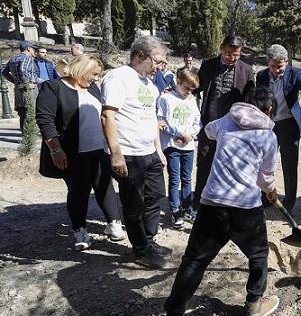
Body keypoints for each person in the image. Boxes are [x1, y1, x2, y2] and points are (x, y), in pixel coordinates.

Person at [143, 87, 281, 316]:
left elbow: (206, 131)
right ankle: (253, 307)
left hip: (213, 203)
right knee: (258, 255)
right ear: (270, 111)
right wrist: (272, 193)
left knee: (194, 261)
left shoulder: (227, 120)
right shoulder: (268, 136)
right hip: (245, 208)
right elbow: (264, 178)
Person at [35, 55, 124, 250]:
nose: (95, 79)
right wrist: (56, 150)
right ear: (81, 70)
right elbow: (45, 122)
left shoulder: (92, 88)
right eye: (93, 74)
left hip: (98, 149)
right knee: (79, 190)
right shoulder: (53, 87)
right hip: (73, 152)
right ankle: (79, 230)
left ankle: (114, 224)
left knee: (105, 186)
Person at [101, 35, 171, 270]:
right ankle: (140, 250)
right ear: (140, 55)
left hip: (149, 151)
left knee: (156, 196)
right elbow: (107, 116)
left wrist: (158, 150)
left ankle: (148, 240)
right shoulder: (118, 78)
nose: (160, 66)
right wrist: (116, 153)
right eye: (158, 61)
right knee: (134, 203)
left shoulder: (149, 85)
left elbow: (151, 119)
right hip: (128, 153)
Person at [193, 35, 255, 219]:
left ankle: (226, 205)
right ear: (221, 48)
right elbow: (197, 87)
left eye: (235, 55)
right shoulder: (208, 65)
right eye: (228, 53)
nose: (231, 58)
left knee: (230, 166)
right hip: (209, 125)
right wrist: (179, 90)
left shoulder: (247, 69)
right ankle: (198, 204)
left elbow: (250, 100)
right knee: (204, 163)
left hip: (233, 129)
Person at [256, 44, 301, 214]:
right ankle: (266, 197)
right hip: (269, 126)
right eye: (273, 66)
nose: (277, 70)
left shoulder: (294, 73)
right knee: (265, 164)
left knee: (289, 165)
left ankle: (289, 202)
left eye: (280, 67)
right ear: (268, 62)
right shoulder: (261, 76)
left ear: (286, 62)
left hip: (289, 125)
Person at [157, 70, 202, 228]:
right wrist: (179, 133)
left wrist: (190, 134)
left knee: (187, 178)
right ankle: (175, 210)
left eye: (192, 89)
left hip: (188, 145)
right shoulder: (166, 98)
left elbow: (198, 121)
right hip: (172, 145)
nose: (189, 92)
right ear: (178, 81)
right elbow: (162, 122)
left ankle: (186, 208)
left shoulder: (191, 99)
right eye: (187, 88)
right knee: (175, 179)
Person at [2, 41, 38, 134]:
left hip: (18, 88)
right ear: (28, 49)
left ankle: (25, 133)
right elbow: (23, 69)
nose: (34, 51)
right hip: (29, 88)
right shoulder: (28, 58)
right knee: (31, 110)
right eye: (33, 49)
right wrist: (26, 83)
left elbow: (4, 73)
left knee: (22, 112)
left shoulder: (13, 59)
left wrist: (15, 81)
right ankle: (30, 134)